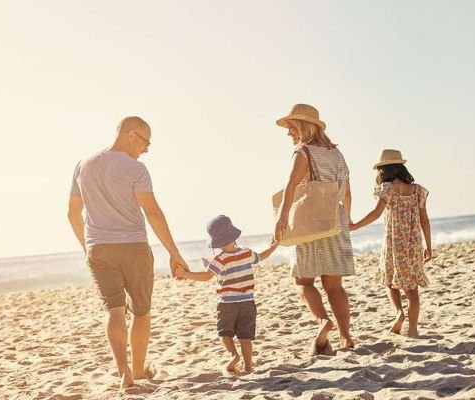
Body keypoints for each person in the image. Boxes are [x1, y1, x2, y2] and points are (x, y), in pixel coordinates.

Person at [67, 116, 191, 390]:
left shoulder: (83, 165)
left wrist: (87, 247)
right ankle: (138, 369)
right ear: (131, 135)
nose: (146, 149)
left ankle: (124, 372)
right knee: (141, 312)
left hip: (99, 249)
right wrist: (174, 252)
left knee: (114, 311)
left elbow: (73, 213)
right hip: (134, 247)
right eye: (146, 142)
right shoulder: (136, 169)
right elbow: (153, 213)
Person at [273, 104, 356, 354]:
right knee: (335, 286)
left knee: (303, 281)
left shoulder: (303, 152)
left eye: (291, 127)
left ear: (302, 126)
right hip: (335, 221)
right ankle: (346, 337)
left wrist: (282, 217)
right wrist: (347, 220)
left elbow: (291, 185)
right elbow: (348, 192)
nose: (289, 133)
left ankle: (322, 321)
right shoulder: (337, 154)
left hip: (310, 223)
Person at [174, 215, 279, 374]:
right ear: (233, 236)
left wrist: (185, 274)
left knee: (224, 333)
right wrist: (273, 246)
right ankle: (249, 367)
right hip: (247, 302)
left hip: (227, 304)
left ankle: (234, 356)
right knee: (245, 337)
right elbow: (262, 256)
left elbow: (206, 276)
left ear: (216, 241)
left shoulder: (219, 259)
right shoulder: (246, 253)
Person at [350, 149, 432, 338]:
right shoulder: (418, 190)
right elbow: (425, 221)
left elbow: (375, 213)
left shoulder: (387, 188)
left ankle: (399, 313)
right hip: (413, 245)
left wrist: (355, 227)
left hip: (393, 245)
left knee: (389, 281)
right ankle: (413, 330)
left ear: (384, 170)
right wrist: (429, 246)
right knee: (412, 290)